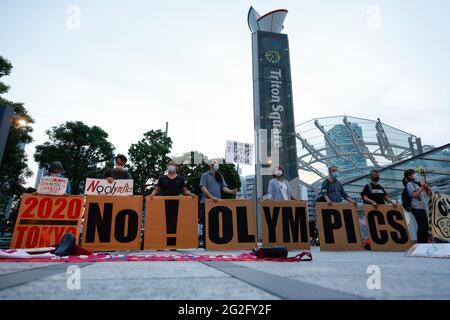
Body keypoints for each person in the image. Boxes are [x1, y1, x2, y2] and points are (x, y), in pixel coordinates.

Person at [198, 159, 238, 247]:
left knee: (216, 223)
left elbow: (224, 188)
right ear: (210, 165)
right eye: (214, 163)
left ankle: (215, 243)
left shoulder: (219, 175)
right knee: (206, 223)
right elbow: (203, 188)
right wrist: (211, 197)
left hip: (217, 203)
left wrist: (232, 191)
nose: (216, 164)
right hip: (206, 203)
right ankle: (206, 244)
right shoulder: (205, 175)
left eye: (216, 163)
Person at [403, 169, 431, 243]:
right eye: (413, 174)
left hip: (422, 207)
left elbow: (425, 192)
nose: (415, 175)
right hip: (415, 207)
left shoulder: (416, 183)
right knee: (421, 225)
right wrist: (422, 188)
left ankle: (425, 241)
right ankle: (421, 242)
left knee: (425, 226)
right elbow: (414, 195)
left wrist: (425, 187)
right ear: (409, 176)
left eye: (415, 173)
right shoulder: (409, 184)